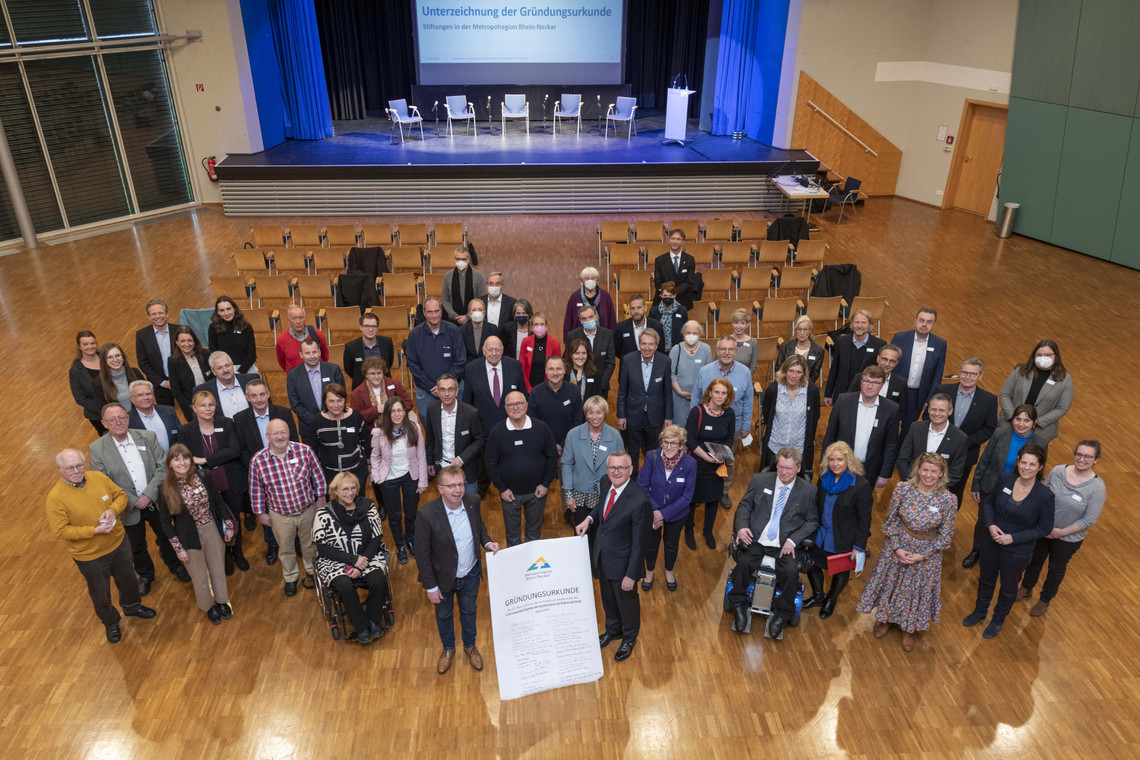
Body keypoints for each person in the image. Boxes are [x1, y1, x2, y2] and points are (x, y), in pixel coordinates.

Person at [47, 449, 156, 644]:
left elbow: (121, 496)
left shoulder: (97, 477)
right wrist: (94, 531)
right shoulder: (56, 498)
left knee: (129, 579)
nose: (76, 470)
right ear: (60, 470)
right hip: (90, 556)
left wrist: (113, 511)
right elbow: (61, 531)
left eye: (79, 465)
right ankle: (111, 622)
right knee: (100, 592)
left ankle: (132, 606)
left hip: (118, 543)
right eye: (70, 467)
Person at [856, 452, 958, 651]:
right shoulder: (902, 489)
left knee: (914, 592)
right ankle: (886, 620)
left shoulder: (948, 500)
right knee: (891, 586)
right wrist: (897, 547)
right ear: (918, 470)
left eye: (933, 471)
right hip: (897, 547)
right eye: (925, 470)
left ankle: (908, 629)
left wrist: (923, 555)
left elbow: (946, 536)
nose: (928, 475)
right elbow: (891, 520)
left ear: (941, 474)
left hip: (926, 553)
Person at [88, 403, 186, 594]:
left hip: (156, 500)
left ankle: (176, 566)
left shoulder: (147, 437)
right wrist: (134, 500)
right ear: (104, 424)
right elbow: (103, 481)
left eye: (122, 417)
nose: (119, 422)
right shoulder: (97, 448)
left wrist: (149, 494)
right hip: (127, 507)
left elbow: (163, 467)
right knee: (136, 545)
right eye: (113, 420)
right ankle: (146, 575)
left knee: (166, 536)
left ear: (128, 418)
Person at [414, 465, 501, 675]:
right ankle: (448, 649)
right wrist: (430, 587)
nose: (457, 490)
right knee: (444, 615)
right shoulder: (426, 515)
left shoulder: (473, 502)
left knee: (469, 611)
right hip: (442, 579)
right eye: (451, 485)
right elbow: (422, 554)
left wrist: (487, 543)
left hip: (470, 573)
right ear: (440, 489)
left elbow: (478, 526)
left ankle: (470, 646)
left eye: (460, 484)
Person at [726, 447, 819, 639]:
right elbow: (745, 505)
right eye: (781, 467)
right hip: (757, 538)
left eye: (789, 469)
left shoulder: (808, 491)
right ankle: (738, 604)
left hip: (785, 544)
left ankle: (782, 614)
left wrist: (793, 541)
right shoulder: (760, 480)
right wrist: (742, 527)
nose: (784, 472)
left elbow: (812, 521)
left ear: (798, 468)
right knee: (743, 563)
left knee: (790, 572)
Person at [964, 444, 1054, 639]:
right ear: (1018, 462)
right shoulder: (1005, 479)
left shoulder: (1044, 496)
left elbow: (1044, 528)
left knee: (1008, 588)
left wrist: (1013, 538)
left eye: (1032, 464)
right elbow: (988, 503)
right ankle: (980, 611)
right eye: (1023, 462)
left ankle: (997, 620)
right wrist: (990, 525)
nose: (1027, 467)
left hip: (1017, 551)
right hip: (990, 541)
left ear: (1040, 467)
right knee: (986, 580)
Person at [575, 451, 652, 662]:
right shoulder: (604, 482)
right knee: (608, 599)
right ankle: (613, 630)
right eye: (612, 468)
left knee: (627, 603)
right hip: (603, 555)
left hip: (624, 565)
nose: (615, 472)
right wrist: (589, 519)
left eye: (621, 468)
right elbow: (602, 508)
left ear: (630, 470)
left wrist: (631, 575)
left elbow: (640, 543)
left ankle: (629, 637)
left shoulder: (639, 501)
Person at [1018, 440, 1105, 617]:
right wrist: (1044, 525)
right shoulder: (1058, 471)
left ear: (1095, 460)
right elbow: (1042, 495)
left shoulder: (1097, 488)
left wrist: (1060, 532)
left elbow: (1089, 519)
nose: (1082, 459)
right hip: (1044, 529)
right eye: (1079, 454)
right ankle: (1026, 588)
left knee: (1056, 569)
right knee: (1035, 560)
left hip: (1068, 538)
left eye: (1088, 456)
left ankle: (1045, 599)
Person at [962, 404, 1049, 568]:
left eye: (1026, 420)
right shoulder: (1000, 433)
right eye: (1018, 419)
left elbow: (1038, 470)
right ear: (1012, 419)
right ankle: (977, 550)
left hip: (1018, 491)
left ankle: (1000, 553)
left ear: (1034, 423)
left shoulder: (1041, 442)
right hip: (991, 486)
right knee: (983, 522)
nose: (1021, 424)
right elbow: (984, 460)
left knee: (1009, 523)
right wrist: (976, 485)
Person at [155, 444, 233, 625]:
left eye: (185, 458)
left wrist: (228, 526)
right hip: (188, 536)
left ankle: (222, 601)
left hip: (211, 528)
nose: (182, 462)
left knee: (218, 569)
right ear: (170, 464)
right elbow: (166, 522)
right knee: (199, 576)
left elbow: (218, 502)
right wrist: (178, 548)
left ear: (191, 460)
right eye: (176, 459)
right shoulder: (165, 488)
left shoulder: (204, 476)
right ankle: (208, 606)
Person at [249, 419, 327, 596]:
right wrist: (260, 513)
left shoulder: (304, 451)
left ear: (289, 432)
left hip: (307, 510)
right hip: (280, 515)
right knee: (285, 549)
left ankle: (312, 572)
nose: (279, 437)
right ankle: (291, 578)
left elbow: (318, 476)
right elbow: (256, 489)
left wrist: (321, 497)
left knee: (310, 545)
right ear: (267, 436)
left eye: (283, 432)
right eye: (275, 433)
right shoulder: (258, 461)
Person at [313, 472, 390, 644]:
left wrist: (361, 563)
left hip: (367, 557)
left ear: (357, 489)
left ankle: (373, 620)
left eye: (353, 488)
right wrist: (352, 560)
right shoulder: (323, 514)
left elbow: (376, 539)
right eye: (344, 489)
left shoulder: (368, 507)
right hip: (336, 561)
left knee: (378, 579)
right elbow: (323, 548)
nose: (349, 492)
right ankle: (362, 627)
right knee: (344, 586)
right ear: (335, 491)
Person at [179, 391, 249, 574]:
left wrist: (203, 460)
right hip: (205, 486)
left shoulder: (226, 423)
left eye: (211, 404)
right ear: (194, 409)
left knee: (234, 519)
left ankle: (238, 552)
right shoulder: (186, 431)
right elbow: (185, 458)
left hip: (230, 480)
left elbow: (233, 450)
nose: (208, 409)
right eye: (203, 405)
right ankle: (224, 555)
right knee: (216, 521)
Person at [803, 441, 873, 619]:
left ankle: (830, 600)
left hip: (843, 537)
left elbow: (865, 520)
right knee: (811, 563)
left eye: (840, 459)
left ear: (848, 460)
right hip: (821, 533)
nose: (835, 463)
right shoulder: (823, 477)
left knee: (840, 571)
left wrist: (858, 546)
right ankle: (818, 596)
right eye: (832, 459)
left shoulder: (861, 486)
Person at [232, 378, 297, 565]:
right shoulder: (240, 419)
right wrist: (256, 468)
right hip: (261, 473)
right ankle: (272, 544)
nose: (259, 399)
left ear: (268, 394)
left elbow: (293, 439)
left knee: (293, 506)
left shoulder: (283, 412)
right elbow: (242, 449)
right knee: (267, 510)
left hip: (287, 469)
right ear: (247, 397)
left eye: (262, 394)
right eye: (254, 395)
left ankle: (296, 541)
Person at [484, 391, 559, 546]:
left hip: (537, 493)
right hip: (509, 495)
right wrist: (502, 489)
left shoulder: (541, 428)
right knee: (513, 538)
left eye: (519, 403)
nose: (515, 407)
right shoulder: (497, 432)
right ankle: (516, 569)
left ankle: (532, 568)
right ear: (505, 408)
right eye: (511, 404)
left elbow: (552, 458)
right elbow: (490, 463)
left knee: (534, 536)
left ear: (526, 405)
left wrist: (545, 484)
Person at [690, 335, 753, 505]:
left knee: (727, 461)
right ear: (717, 351)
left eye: (730, 349)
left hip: (731, 426)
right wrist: (693, 423)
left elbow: (748, 400)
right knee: (701, 460)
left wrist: (746, 425)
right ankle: (699, 489)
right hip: (704, 425)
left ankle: (724, 491)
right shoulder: (705, 371)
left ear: (735, 351)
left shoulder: (745, 372)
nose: (727, 352)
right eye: (723, 349)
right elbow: (696, 398)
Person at [925, 357, 997, 505]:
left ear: (980, 376)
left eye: (972, 374)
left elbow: (989, 428)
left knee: (955, 494)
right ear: (960, 373)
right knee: (927, 486)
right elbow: (927, 415)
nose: (967, 377)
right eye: (964, 372)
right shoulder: (942, 390)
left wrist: (963, 443)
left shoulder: (989, 399)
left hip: (965, 455)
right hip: (935, 449)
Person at [637, 425, 696, 591]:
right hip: (652, 511)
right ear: (661, 443)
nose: (669, 447)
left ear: (681, 445)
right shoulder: (651, 456)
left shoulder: (690, 464)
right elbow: (642, 485)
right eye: (666, 442)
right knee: (650, 543)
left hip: (676, 515)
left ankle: (669, 571)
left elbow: (687, 496)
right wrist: (656, 512)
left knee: (671, 544)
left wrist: (663, 514)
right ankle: (649, 571)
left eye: (674, 443)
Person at [821, 365, 900, 489]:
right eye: (867, 381)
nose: (869, 386)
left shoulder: (891, 409)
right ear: (861, 381)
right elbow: (830, 435)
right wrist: (824, 464)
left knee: (861, 506)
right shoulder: (843, 401)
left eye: (875, 383)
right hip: (840, 466)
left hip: (870, 470)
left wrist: (884, 474)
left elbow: (891, 444)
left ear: (882, 385)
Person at [370, 396, 428, 564]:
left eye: (399, 410)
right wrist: (377, 476)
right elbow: (374, 457)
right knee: (394, 516)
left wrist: (423, 481)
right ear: (387, 413)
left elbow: (421, 456)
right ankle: (400, 544)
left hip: (411, 476)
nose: (396, 414)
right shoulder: (379, 433)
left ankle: (410, 539)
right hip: (389, 479)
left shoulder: (414, 428)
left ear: (405, 411)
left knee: (411, 513)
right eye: (392, 411)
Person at [684, 378, 736, 550]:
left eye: (723, 393)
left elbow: (729, 439)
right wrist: (707, 457)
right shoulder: (697, 412)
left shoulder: (729, 414)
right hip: (697, 462)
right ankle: (689, 530)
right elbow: (690, 440)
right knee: (692, 499)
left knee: (713, 499)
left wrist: (724, 453)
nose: (720, 396)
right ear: (710, 393)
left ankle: (708, 531)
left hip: (717, 464)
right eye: (717, 392)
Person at [617, 329, 673, 476]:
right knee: (633, 452)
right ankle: (633, 481)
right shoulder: (628, 360)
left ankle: (651, 480)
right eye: (644, 344)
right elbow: (622, 390)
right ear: (639, 344)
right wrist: (621, 415)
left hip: (655, 416)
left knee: (653, 453)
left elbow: (668, 392)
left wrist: (668, 417)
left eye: (651, 344)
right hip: (633, 415)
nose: (647, 348)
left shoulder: (665, 361)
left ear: (656, 346)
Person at [562, 396, 624, 526]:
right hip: (580, 496)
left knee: (603, 536)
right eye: (590, 413)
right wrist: (568, 495)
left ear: (605, 413)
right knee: (581, 536)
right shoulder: (573, 435)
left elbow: (622, 467)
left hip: (606, 495)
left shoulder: (614, 436)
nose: (594, 417)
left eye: (598, 412)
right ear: (585, 414)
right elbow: (567, 465)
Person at [998, 339, 1074, 444]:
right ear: (1034, 356)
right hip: (1009, 424)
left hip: (1040, 430)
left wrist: (1036, 422)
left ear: (1055, 357)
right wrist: (1015, 418)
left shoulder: (1065, 379)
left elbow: (1062, 408)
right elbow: (1005, 395)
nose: (1043, 358)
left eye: (1047, 355)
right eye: (1039, 355)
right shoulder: (1020, 371)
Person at [760, 355, 821, 478]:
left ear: (803, 374)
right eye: (791, 371)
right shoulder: (773, 389)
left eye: (798, 372)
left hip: (799, 448)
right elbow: (767, 416)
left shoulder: (812, 391)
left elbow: (815, 417)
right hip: (775, 446)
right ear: (785, 371)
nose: (794, 376)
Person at [405, 297, 466, 422]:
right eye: (430, 312)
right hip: (427, 391)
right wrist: (432, 387)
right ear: (423, 313)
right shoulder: (414, 335)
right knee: (431, 431)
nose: (434, 315)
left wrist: (445, 386)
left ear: (441, 311)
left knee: (457, 426)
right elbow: (413, 365)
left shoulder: (454, 331)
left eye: (436, 311)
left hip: (453, 390)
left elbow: (460, 361)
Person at [890, 307, 947, 439]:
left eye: (929, 322)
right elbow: (888, 364)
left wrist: (930, 399)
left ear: (934, 325)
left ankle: (899, 457)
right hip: (896, 391)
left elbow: (937, 375)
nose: (924, 324)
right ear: (915, 321)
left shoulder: (940, 344)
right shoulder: (900, 337)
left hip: (917, 396)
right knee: (889, 424)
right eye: (921, 320)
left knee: (908, 430)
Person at [424, 374, 486, 491]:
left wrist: (462, 458)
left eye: (450, 389)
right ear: (437, 391)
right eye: (442, 389)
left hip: (466, 470)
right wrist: (430, 461)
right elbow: (430, 437)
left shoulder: (471, 413)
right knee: (448, 507)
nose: (446, 394)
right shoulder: (432, 409)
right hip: (442, 468)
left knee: (469, 506)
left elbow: (480, 440)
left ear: (457, 391)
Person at [895, 392, 969, 492]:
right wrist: (913, 483)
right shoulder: (915, 428)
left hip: (938, 492)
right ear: (928, 409)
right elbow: (903, 459)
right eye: (934, 409)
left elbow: (956, 472)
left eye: (942, 410)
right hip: (911, 488)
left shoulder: (960, 438)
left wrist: (933, 488)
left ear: (950, 411)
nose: (937, 414)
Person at [304, 383, 370, 488]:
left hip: (356, 473)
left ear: (345, 401)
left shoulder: (355, 416)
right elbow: (313, 451)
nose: (336, 405)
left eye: (339, 400)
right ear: (325, 401)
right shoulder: (317, 422)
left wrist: (369, 465)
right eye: (331, 401)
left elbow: (366, 441)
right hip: (330, 476)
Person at [461, 335, 524, 431]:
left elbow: (523, 397)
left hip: (511, 426)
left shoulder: (515, 366)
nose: (494, 353)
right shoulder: (471, 369)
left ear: (502, 350)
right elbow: (467, 402)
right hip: (482, 428)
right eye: (490, 350)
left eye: (497, 350)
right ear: (483, 350)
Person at [824, 309, 884, 407]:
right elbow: (834, 368)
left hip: (866, 396)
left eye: (863, 323)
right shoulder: (842, 341)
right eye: (856, 322)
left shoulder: (879, 345)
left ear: (870, 325)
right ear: (852, 324)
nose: (860, 326)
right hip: (842, 393)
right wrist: (828, 393)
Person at [286, 338, 346, 431]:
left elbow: (341, 396)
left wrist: (329, 417)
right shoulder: (293, 375)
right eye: (307, 353)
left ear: (319, 352)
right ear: (301, 355)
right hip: (308, 426)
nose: (311, 356)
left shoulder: (333, 369)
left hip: (334, 422)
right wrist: (316, 421)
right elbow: (295, 404)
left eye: (314, 352)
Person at [846, 344, 909, 431]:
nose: (887, 364)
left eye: (892, 361)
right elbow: (849, 401)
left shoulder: (901, 383)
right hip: (858, 423)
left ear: (896, 363)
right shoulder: (860, 377)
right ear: (878, 358)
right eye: (884, 359)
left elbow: (901, 410)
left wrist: (886, 422)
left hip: (885, 428)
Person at [528, 355, 583, 454]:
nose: (555, 372)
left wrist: (563, 444)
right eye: (551, 369)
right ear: (545, 371)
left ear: (564, 370)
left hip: (569, 448)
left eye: (558, 369)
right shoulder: (536, 392)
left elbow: (578, 420)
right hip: (542, 449)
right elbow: (533, 422)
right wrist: (549, 445)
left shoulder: (574, 391)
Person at [348, 356, 413, 438]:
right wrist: (376, 410)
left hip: (398, 429)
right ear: (366, 375)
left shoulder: (395, 384)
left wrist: (395, 409)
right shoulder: (356, 393)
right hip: (372, 433)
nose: (376, 376)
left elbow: (408, 403)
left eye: (379, 373)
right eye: (372, 373)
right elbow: (356, 417)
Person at [564, 303, 616, 395]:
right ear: (580, 321)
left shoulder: (607, 334)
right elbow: (567, 359)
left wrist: (603, 383)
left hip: (601, 385)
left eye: (590, 317)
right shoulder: (572, 336)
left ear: (596, 317)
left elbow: (611, 362)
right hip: (579, 385)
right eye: (584, 319)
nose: (588, 320)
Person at [669, 320, 712, 426]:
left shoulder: (706, 349)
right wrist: (679, 392)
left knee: (697, 426)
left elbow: (709, 374)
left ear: (700, 334)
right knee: (680, 428)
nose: (691, 336)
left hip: (700, 398)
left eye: (695, 333)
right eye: (688, 333)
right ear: (683, 333)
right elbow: (671, 374)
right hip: (679, 398)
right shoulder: (675, 350)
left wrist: (701, 394)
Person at [135, 298, 176, 406]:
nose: (158, 316)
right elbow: (143, 363)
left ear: (166, 314)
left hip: (182, 382)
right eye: (154, 314)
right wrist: (163, 383)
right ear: (149, 316)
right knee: (167, 414)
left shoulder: (179, 330)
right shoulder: (142, 335)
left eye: (161, 312)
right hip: (160, 386)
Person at [192, 351, 257, 419]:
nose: (225, 370)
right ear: (213, 371)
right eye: (220, 368)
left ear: (232, 365)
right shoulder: (203, 390)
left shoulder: (252, 380)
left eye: (227, 365)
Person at [168, 324, 213, 418]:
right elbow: (176, 390)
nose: (187, 344)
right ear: (177, 342)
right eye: (182, 341)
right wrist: (190, 407)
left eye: (189, 340)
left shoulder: (206, 354)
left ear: (194, 341)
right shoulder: (173, 361)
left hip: (212, 402)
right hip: (191, 406)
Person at [342, 312, 394, 389]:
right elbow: (349, 370)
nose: (370, 329)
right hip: (361, 388)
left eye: (374, 326)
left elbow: (389, 364)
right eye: (366, 326)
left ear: (377, 328)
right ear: (361, 327)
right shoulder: (350, 347)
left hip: (384, 387)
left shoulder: (387, 342)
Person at [652, 228, 700, 309]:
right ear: (669, 240)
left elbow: (689, 282)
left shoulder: (690, 260)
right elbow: (658, 281)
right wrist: (668, 296)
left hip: (683, 301)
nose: (675, 241)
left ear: (683, 242)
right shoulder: (660, 260)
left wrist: (673, 294)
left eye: (678, 239)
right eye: (673, 238)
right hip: (663, 300)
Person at [208, 296, 257, 374]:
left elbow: (252, 355)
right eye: (222, 310)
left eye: (228, 309)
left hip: (245, 369)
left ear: (234, 309)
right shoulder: (213, 328)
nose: (226, 313)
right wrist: (226, 371)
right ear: (218, 312)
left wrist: (239, 372)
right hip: (224, 371)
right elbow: (214, 353)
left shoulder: (246, 326)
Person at [69, 330, 106, 434]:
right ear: (79, 347)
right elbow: (80, 399)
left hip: (120, 408)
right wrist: (103, 407)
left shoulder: (107, 358)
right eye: (85, 344)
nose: (90, 346)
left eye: (92, 343)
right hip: (97, 415)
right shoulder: (76, 370)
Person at [127, 380, 180, 453]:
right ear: (132, 399)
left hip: (174, 459)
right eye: (140, 395)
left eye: (148, 393)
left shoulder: (169, 411)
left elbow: (180, 436)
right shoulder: (128, 419)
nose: (146, 397)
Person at [563, 266, 618, 336]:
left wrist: (612, 338)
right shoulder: (575, 297)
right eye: (587, 279)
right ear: (582, 281)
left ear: (597, 280)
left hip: (602, 338)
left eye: (593, 278)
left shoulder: (605, 296)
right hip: (579, 339)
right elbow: (568, 320)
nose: (590, 280)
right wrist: (567, 340)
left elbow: (612, 319)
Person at [275, 304, 329, 372]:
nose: (298, 322)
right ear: (288, 320)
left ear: (305, 319)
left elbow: (325, 356)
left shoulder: (318, 334)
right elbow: (282, 362)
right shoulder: (281, 339)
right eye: (294, 318)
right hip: (295, 379)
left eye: (301, 317)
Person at [441, 245, 487, 324]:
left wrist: (467, 316)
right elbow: (445, 299)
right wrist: (455, 316)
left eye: (463, 259)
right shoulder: (448, 276)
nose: (460, 261)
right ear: (454, 260)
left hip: (474, 319)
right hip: (453, 320)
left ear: (468, 260)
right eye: (458, 259)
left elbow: (482, 299)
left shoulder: (478, 275)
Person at [615, 293, 665, 362]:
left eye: (639, 307)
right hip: (629, 368)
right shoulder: (621, 327)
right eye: (632, 308)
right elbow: (617, 351)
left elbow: (660, 350)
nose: (636, 311)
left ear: (645, 308)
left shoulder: (657, 326)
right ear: (629, 310)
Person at [93, 343, 143, 411]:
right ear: (105, 361)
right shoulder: (98, 383)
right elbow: (102, 410)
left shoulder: (135, 373)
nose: (115, 360)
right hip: (119, 420)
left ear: (123, 357)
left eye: (118, 355)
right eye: (110, 357)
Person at [520, 312, 562, 392]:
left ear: (546, 326)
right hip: (529, 386)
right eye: (536, 324)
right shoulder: (525, 342)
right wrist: (529, 389)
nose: (539, 327)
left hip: (548, 387)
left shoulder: (555, 344)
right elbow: (522, 368)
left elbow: (557, 369)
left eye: (542, 324)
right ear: (532, 327)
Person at [776, 315, 824, 384]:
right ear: (795, 330)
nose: (802, 333)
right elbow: (779, 369)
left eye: (805, 329)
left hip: (806, 386)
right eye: (799, 329)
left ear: (810, 330)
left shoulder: (818, 351)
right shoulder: (785, 346)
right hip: (785, 384)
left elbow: (814, 375)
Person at [647, 280, 688, 353]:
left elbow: (685, 331)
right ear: (661, 295)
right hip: (658, 350)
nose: (667, 298)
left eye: (670, 296)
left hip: (677, 350)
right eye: (665, 296)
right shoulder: (654, 311)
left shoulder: (682, 311)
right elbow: (650, 331)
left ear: (674, 295)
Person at [565, 338, 605, 406]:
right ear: (571, 355)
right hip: (568, 414)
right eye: (577, 353)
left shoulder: (595, 374)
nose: (581, 357)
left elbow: (598, 398)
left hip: (588, 413)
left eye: (584, 353)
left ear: (588, 355)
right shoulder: (564, 374)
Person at [728, 309, 759, 379]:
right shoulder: (725, 340)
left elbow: (753, 366)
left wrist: (744, 379)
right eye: (736, 323)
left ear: (747, 325)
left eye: (742, 323)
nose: (739, 326)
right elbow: (718, 362)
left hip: (745, 378)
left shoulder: (753, 342)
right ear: (732, 324)